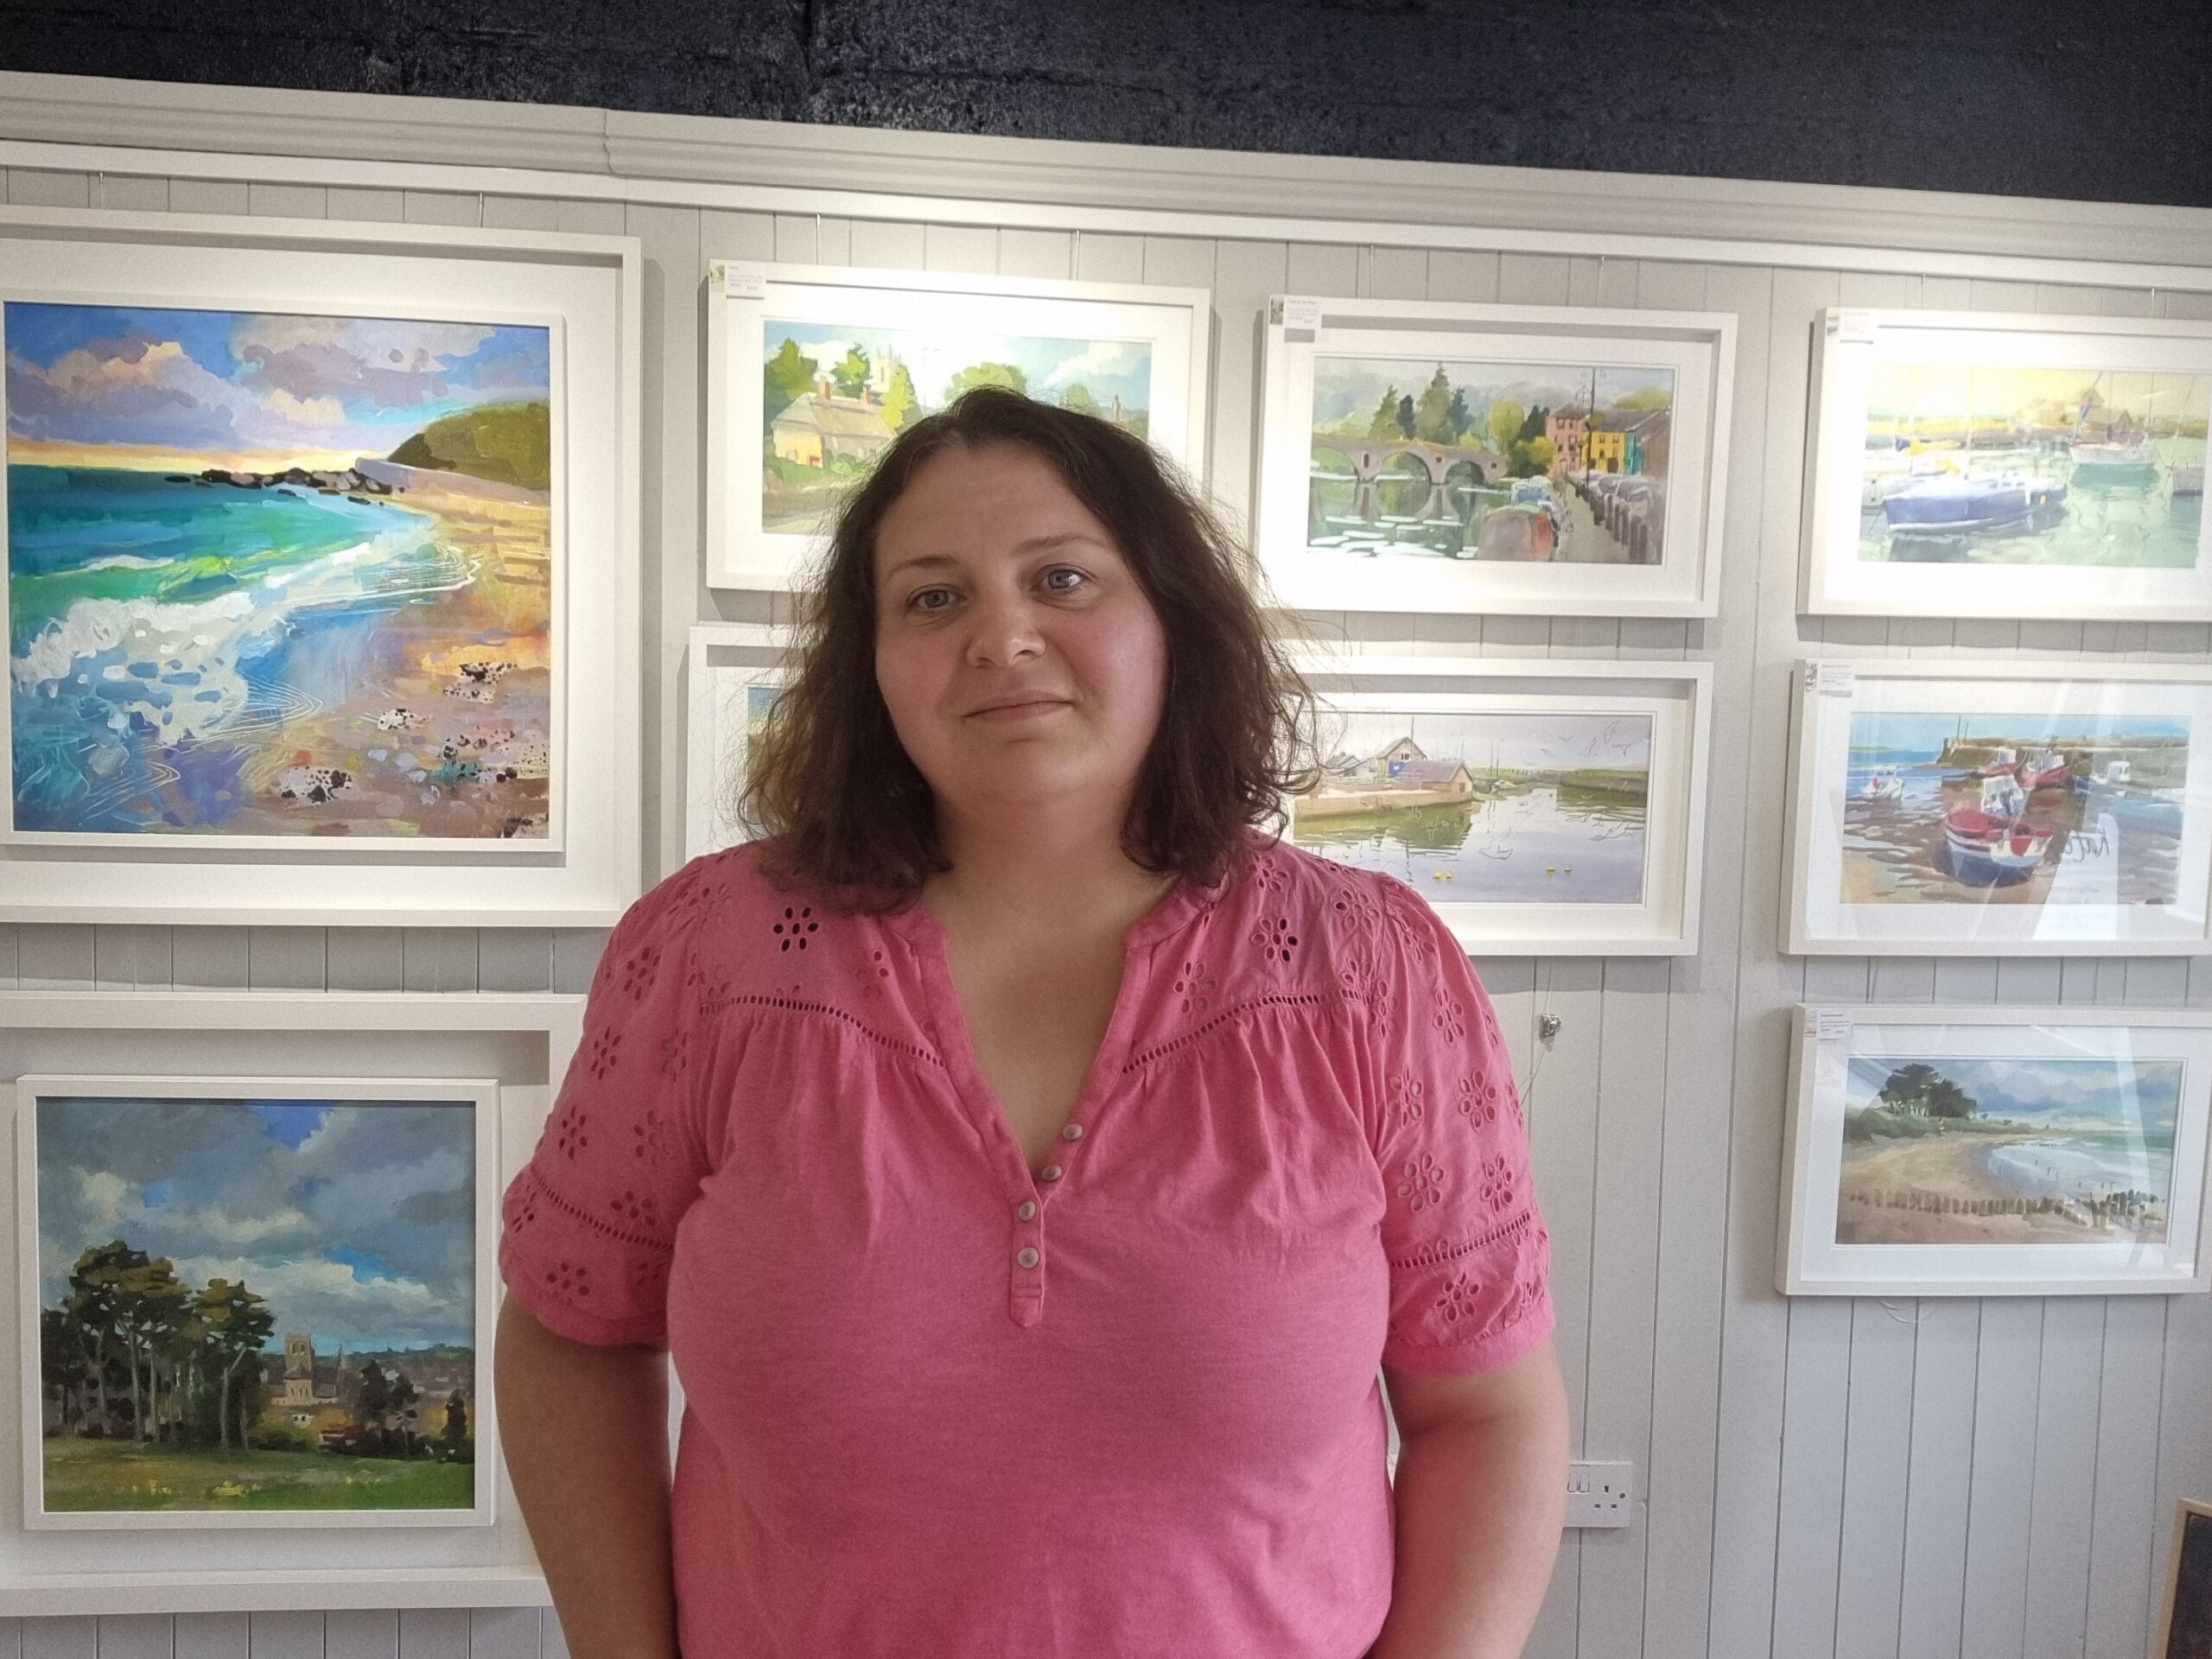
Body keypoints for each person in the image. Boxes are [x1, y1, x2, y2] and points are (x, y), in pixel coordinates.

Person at [495, 385, 1567, 1658]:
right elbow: (570, 1329)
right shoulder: (711, 957)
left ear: (1171, 621)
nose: (1001, 635)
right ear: (870, 662)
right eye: (932, 598)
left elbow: (1485, 1411)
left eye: (1062, 579)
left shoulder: (1370, 971)